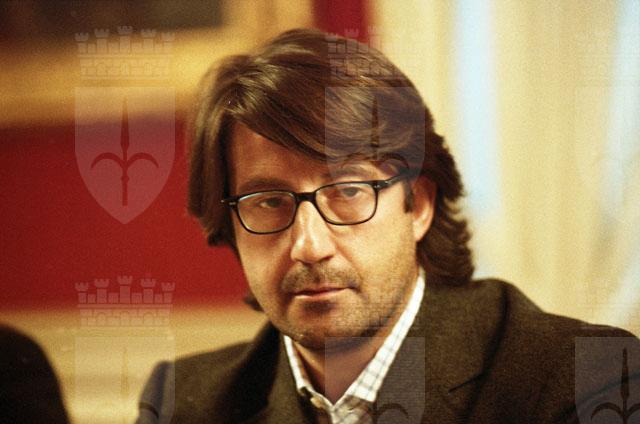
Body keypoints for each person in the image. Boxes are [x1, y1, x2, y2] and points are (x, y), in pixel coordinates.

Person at [136, 28, 640, 424]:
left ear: (418, 205)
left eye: (348, 191)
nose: (309, 245)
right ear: (229, 224)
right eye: (268, 202)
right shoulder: (183, 403)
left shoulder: (581, 380)